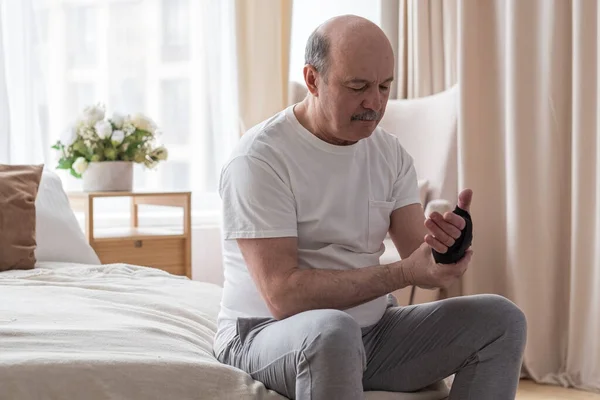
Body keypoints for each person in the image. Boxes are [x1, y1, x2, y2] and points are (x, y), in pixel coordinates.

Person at [213, 14, 527, 400]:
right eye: (358, 86)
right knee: (333, 331)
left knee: (500, 319)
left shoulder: (389, 154)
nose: (374, 103)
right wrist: (403, 273)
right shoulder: (260, 159)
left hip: (371, 335)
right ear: (312, 79)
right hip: (264, 334)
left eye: (384, 86)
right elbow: (283, 295)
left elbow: (421, 261)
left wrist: (448, 248)